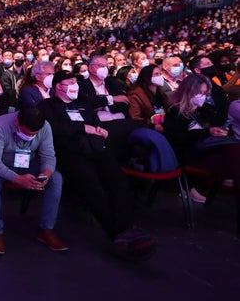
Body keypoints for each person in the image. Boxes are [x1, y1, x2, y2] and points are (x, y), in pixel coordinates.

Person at [38, 71, 155, 261]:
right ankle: (117, 235)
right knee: (93, 188)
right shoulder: (47, 106)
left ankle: (127, 230)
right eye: (70, 82)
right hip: (70, 154)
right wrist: (82, 128)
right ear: (59, 86)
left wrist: (100, 130)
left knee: (119, 183)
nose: (75, 85)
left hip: (97, 150)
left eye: (76, 82)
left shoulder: (83, 105)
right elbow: (51, 128)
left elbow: (94, 123)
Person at [0, 108, 66, 255]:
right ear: (17, 122)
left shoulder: (44, 126)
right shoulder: (0, 125)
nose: (30, 136)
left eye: (34, 134)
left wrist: (46, 173)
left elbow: (48, 155)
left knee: (56, 178)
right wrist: (17, 179)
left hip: (26, 162)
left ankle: (46, 229)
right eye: (27, 133)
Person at [164, 74, 240, 229]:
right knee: (234, 152)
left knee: (234, 150)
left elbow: (216, 123)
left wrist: (219, 130)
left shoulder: (204, 108)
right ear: (187, 92)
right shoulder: (175, 111)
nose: (202, 97)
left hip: (211, 147)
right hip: (192, 153)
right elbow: (178, 140)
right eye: (199, 93)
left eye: (205, 93)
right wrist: (207, 132)